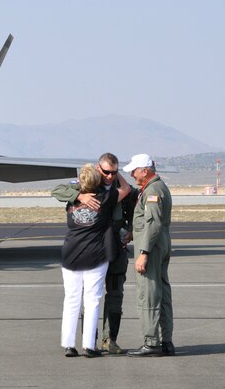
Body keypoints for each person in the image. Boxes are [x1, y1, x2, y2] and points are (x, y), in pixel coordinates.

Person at [52, 153, 135, 354]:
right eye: (106, 172)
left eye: (114, 172)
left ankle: (71, 344)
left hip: (73, 253)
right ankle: (89, 345)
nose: (110, 176)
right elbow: (125, 189)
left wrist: (78, 196)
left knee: (73, 298)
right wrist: (80, 194)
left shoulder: (74, 199)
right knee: (92, 300)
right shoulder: (103, 198)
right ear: (99, 170)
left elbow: (57, 191)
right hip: (98, 253)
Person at [123, 153, 175, 357]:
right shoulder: (156, 187)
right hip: (159, 244)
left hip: (152, 248)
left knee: (149, 294)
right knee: (162, 293)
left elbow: (153, 224)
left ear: (145, 170)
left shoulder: (152, 190)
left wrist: (143, 253)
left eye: (135, 171)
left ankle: (151, 343)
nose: (133, 175)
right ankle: (166, 341)